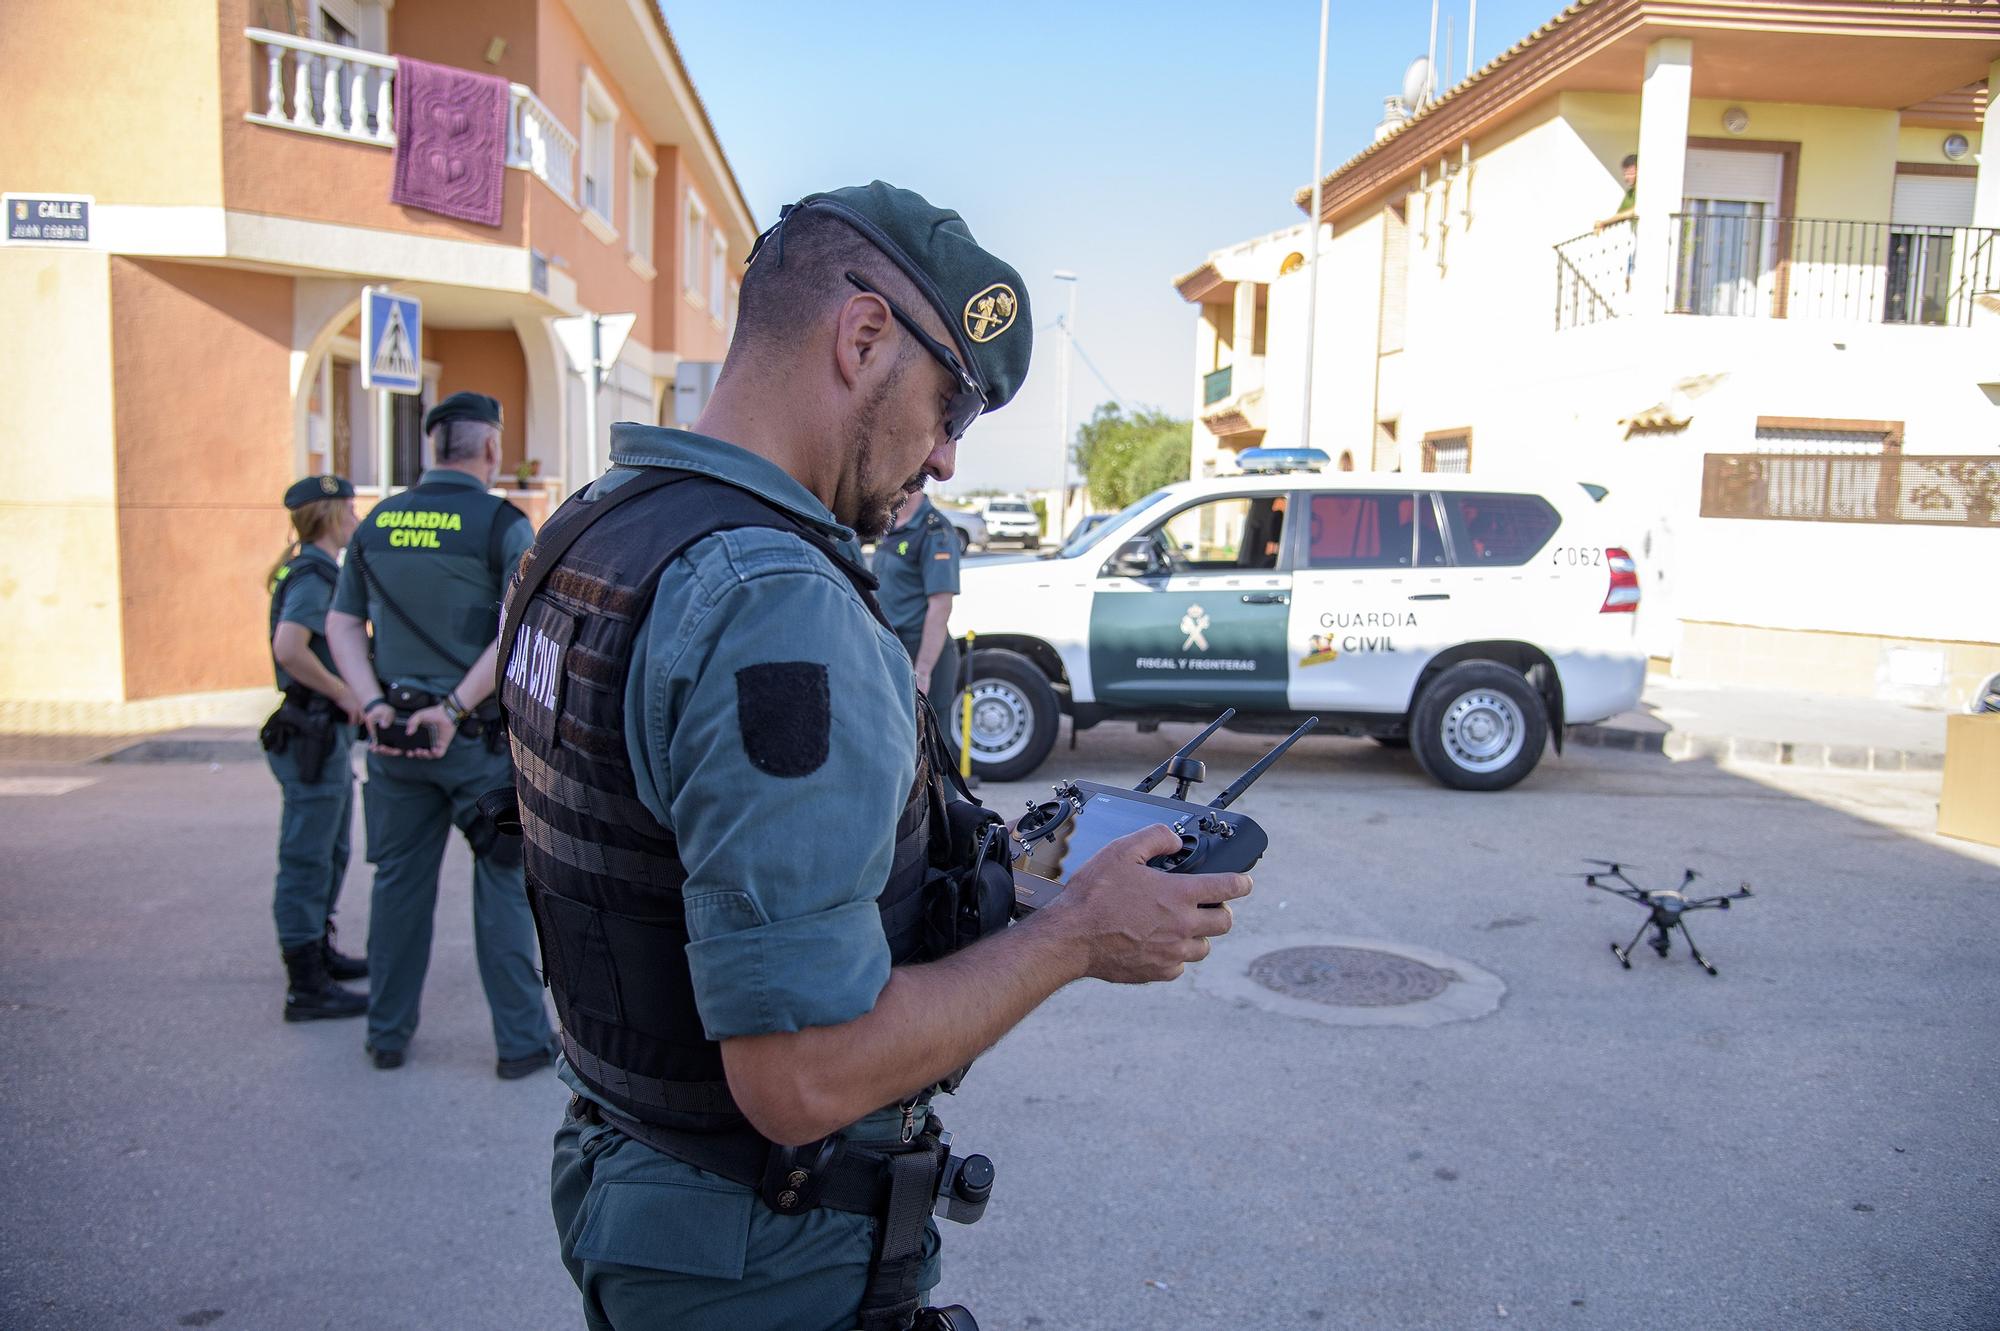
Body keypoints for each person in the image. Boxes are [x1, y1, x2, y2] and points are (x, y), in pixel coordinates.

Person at [500, 182, 1251, 1331]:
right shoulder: (775, 607)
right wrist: (1076, 936)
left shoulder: (594, 527)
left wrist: (998, 871)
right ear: (861, 339)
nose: (946, 457)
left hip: (639, 1180)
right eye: (950, 406)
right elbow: (799, 1076)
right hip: (761, 1250)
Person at [324, 392, 554, 1077]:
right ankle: (519, 1045)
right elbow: (515, 631)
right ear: (489, 448)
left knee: (397, 887)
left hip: (396, 742)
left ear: (432, 448)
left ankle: (387, 1036)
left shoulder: (377, 523)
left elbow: (340, 624)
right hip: (474, 746)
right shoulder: (503, 524)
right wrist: (453, 708)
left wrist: (371, 703)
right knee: (504, 889)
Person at [261, 474, 368, 1022]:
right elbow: (290, 646)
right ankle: (305, 985)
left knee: (331, 851)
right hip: (313, 730)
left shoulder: (316, 568)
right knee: (307, 857)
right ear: (328, 515)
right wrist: (342, 690)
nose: (355, 515)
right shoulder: (314, 574)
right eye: (348, 507)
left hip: (320, 734)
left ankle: (319, 954)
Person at [870, 487, 963, 753]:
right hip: (893, 649)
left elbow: (941, 605)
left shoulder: (935, 531)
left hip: (922, 652)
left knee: (931, 751)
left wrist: (922, 671)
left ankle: (946, 796)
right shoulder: (890, 522)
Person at [1597, 153, 1638, 232]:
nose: (1626, 177)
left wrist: (1604, 223)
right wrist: (1602, 224)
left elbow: (1635, 211)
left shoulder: (1646, 190)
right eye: (1624, 174)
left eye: (1630, 173)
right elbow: (1619, 215)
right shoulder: (1630, 193)